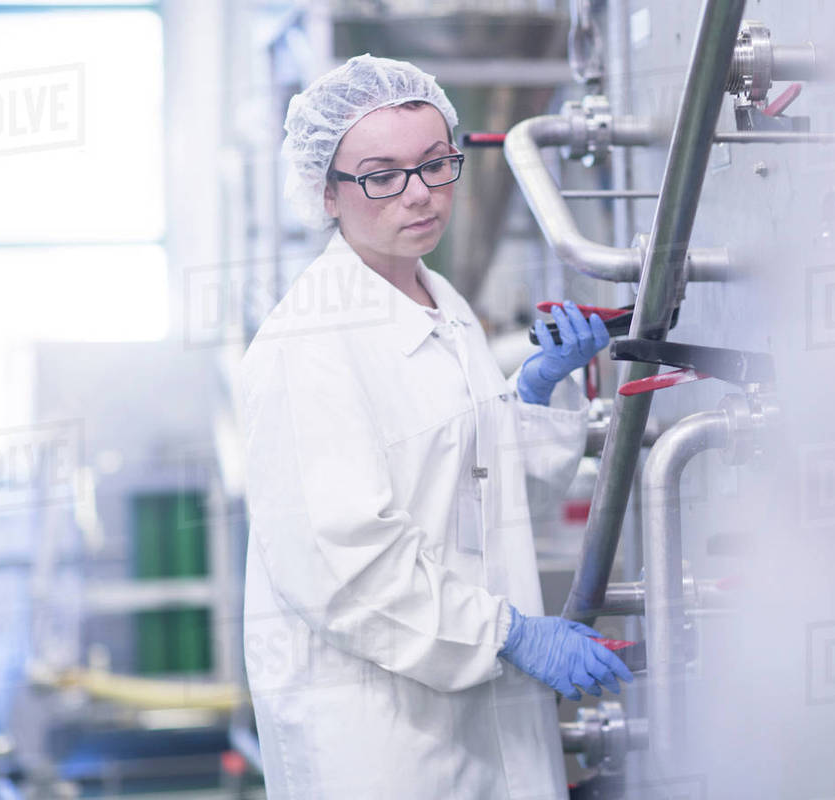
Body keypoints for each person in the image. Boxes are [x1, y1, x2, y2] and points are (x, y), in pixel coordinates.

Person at [239, 54, 633, 799]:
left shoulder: (439, 300)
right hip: (384, 735)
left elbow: (481, 491)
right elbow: (342, 563)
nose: (419, 196)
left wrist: (537, 393)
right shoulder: (307, 346)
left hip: (485, 718)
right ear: (326, 191)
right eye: (382, 175)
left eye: (435, 164)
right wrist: (509, 635)